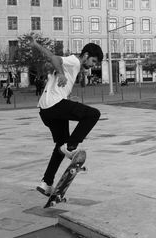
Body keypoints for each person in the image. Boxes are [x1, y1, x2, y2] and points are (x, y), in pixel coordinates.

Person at [32, 40, 103, 196]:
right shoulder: (74, 61)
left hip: (45, 110)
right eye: (93, 61)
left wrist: (36, 45)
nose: (93, 65)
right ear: (86, 55)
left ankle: (46, 183)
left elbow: (51, 56)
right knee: (93, 114)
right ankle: (71, 147)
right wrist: (63, 74)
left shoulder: (71, 65)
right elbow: (55, 59)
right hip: (55, 106)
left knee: (59, 146)